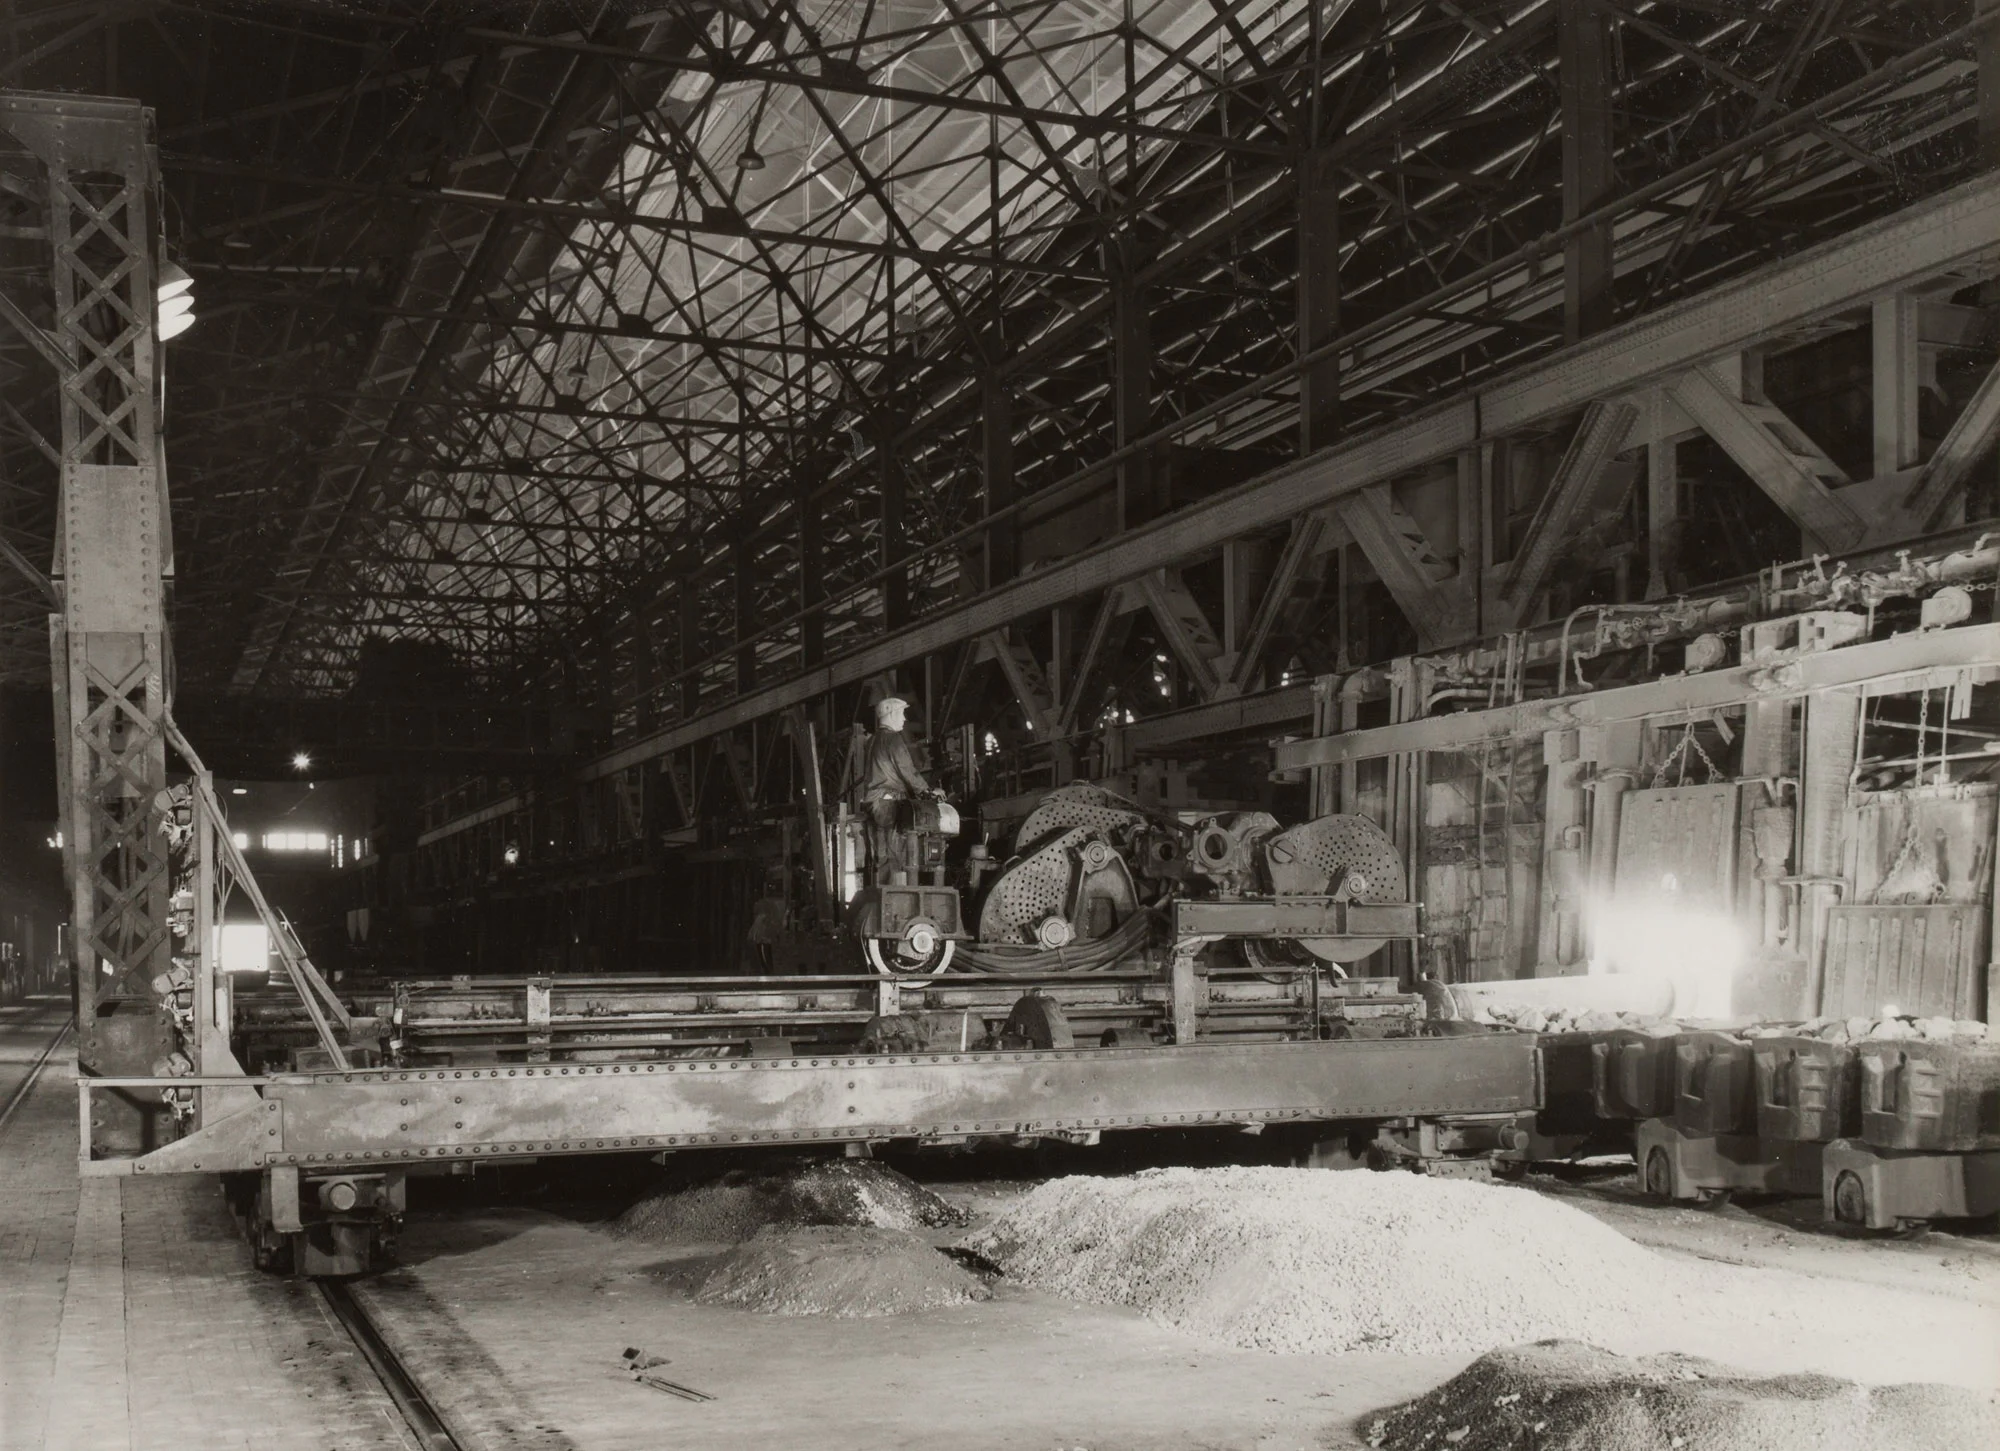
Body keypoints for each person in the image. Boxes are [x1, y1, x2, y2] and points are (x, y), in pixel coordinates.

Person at [859, 696, 932, 884]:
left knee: (880, 856)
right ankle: (897, 901)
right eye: (901, 713)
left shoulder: (873, 741)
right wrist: (927, 792)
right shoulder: (892, 739)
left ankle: (882, 897)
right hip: (888, 803)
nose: (905, 719)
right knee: (896, 856)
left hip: (874, 802)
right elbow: (907, 770)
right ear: (890, 714)